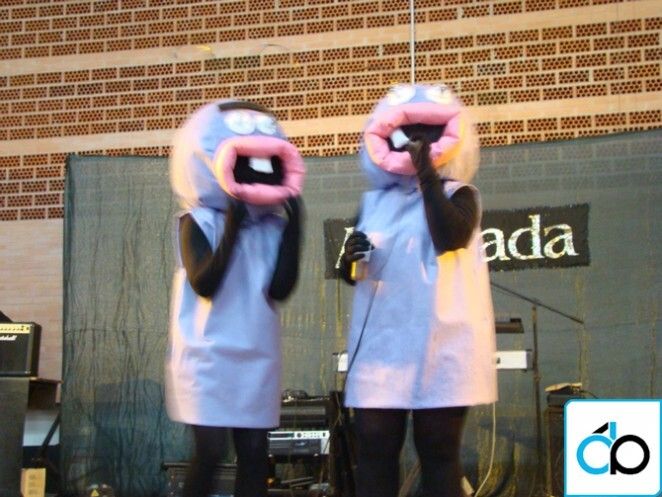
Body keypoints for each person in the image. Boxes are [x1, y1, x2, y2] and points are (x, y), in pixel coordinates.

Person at [339, 83, 497, 497]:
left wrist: (425, 170)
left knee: (439, 451)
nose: (416, 141)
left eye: (427, 133)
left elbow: (449, 237)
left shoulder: (460, 194)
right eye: (409, 134)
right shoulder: (373, 202)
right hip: (381, 344)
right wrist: (347, 260)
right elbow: (355, 270)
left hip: (441, 342)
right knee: (375, 450)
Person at [165, 99, 306, 497]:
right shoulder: (197, 220)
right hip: (206, 355)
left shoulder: (273, 227)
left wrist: (296, 227)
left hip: (256, 354)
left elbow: (280, 289)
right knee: (210, 451)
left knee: (254, 452)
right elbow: (204, 283)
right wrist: (231, 225)